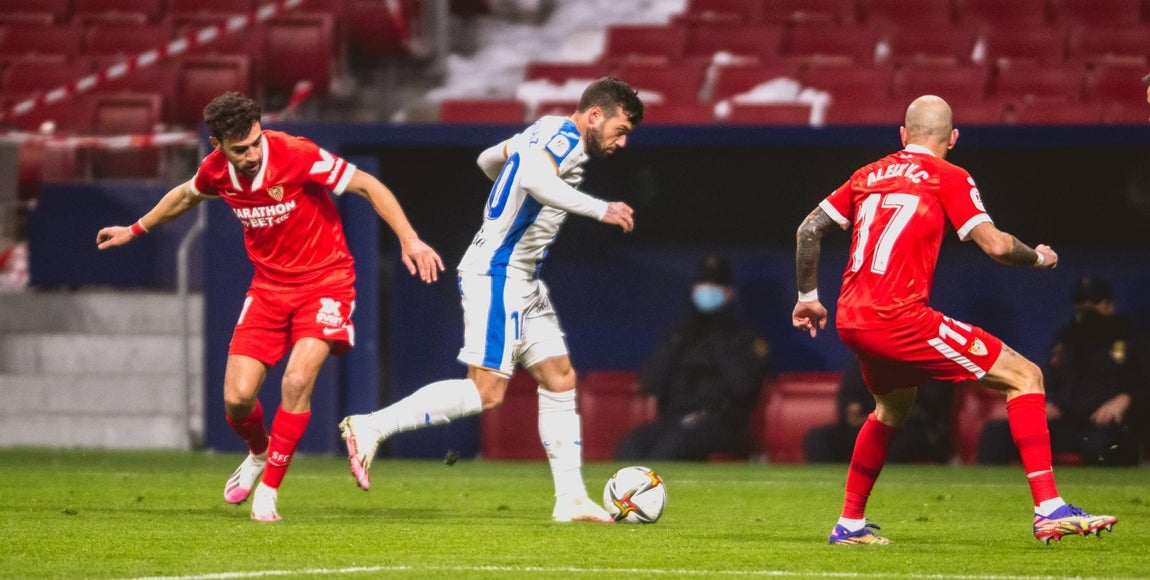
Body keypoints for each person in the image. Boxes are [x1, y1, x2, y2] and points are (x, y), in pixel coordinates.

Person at [96, 92, 444, 522]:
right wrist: (135, 229)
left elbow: (367, 185)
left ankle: (269, 493)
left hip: (326, 281)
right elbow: (184, 197)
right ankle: (259, 453)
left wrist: (409, 238)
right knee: (237, 400)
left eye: (256, 142)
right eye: (240, 148)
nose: (252, 154)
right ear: (217, 145)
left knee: (297, 381)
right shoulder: (216, 173)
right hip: (269, 289)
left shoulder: (296, 154)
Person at [791, 95, 1118, 545]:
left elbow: (808, 230)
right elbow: (998, 247)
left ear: (902, 136)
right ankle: (1049, 509)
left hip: (852, 319)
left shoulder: (867, 174)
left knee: (891, 408)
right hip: (899, 318)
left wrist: (808, 297)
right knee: (1025, 376)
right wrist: (1039, 258)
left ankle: (849, 524)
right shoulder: (949, 176)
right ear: (954, 139)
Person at [339, 77, 643, 522]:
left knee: (559, 377)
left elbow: (487, 159)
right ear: (595, 115)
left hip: (524, 277)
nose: (622, 141)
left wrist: (514, 174)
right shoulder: (562, 136)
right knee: (487, 391)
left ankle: (572, 498)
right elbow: (537, 177)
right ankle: (372, 426)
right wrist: (601, 208)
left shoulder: (542, 130)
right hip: (499, 272)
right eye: (621, 129)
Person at [977, 276, 1148, 466]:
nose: (1087, 307)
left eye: (1094, 301)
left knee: (1099, 445)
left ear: (1109, 304)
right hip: (1066, 423)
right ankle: (993, 491)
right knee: (997, 433)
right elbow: (1049, 381)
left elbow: (1144, 384)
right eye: (1081, 302)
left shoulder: (1132, 336)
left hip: (1110, 426)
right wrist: (1046, 404)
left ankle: (1090, 494)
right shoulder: (1067, 338)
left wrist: (1126, 399)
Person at [614, 255, 771, 461]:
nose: (707, 291)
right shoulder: (679, 336)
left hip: (721, 425)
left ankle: (654, 492)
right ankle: (631, 493)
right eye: (702, 285)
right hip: (673, 420)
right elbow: (648, 383)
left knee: (674, 443)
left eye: (715, 286)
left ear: (730, 293)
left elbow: (743, 388)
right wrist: (677, 342)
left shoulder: (746, 340)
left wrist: (716, 340)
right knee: (631, 445)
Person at [803, 359, 952, 464]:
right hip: (865, 423)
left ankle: (885, 486)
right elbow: (849, 394)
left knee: (897, 443)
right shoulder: (867, 358)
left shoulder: (924, 358)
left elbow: (933, 400)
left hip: (904, 427)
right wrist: (849, 410)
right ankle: (831, 485)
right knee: (818, 439)